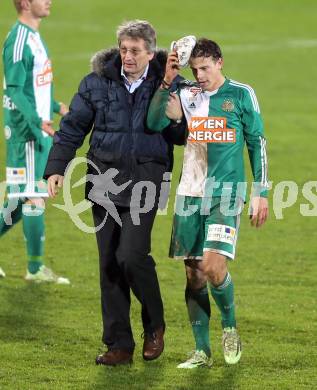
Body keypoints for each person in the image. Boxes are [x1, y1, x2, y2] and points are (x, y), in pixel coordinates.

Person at [44, 20, 185, 366]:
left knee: (131, 256)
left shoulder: (170, 84)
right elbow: (73, 127)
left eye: (135, 51)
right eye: (124, 50)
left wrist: (179, 119)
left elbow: (181, 137)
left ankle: (155, 326)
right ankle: (119, 344)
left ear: (151, 53)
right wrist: (56, 168)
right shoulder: (96, 83)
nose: (128, 57)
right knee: (109, 264)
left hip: (147, 182)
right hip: (103, 181)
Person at [147, 38, 269, 368]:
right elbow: (154, 122)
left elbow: (257, 143)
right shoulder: (187, 93)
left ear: (219, 62)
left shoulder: (241, 94)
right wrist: (167, 82)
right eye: (194, 69)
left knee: (213, 266)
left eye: (205, 68)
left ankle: (229, 329)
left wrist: (261, 191)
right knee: (193, 275)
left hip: (226, 193)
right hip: (190, 193)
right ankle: (202, 351)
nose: (199, 75)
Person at [0, 0, 69, 284]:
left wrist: (56, 106)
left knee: (19, 200)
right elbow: (14, 90)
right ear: (26, 3)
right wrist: (36, 120)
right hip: (25, 132)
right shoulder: (18, 40)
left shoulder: (34, 36)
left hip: (38, 127)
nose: (49, 1)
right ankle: (35, 269)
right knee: (33, 196)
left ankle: (36, 269)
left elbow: (34, 84)